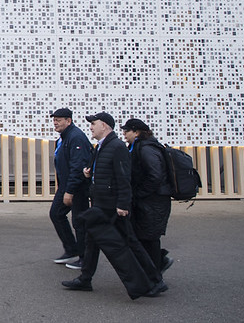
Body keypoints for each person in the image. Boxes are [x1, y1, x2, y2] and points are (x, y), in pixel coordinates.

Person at [62, 112, 165, 299]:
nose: (91, 127)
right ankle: (85, 279)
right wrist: (89, 173)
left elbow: (123, 177)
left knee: (130, 244)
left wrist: (123, 204)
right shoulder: (101, 146)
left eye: (94, 124)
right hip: (100, 204)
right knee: (91, 242)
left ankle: (154, 280)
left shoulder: (117, 147)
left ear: (104, 125)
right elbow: (104, 172)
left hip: (112, 207)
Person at [121, 118, 174, 273]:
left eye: (127, 131)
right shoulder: (139, 146)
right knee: (143, 236)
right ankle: (156, 266)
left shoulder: (146, 149)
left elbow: (155, 175)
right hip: (150, 200)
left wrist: (139, 193)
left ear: (136, 132)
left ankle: (155, 272)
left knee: (149, 237)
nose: (124, 134)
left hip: (154, 201)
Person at [49, 108, 92, 269]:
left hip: (76, 187)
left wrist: (70, 191)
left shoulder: (76, 138)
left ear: (69, 121)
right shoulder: (62, 139)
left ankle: (85, 257)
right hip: (66, 185)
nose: (55, 123)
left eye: (59, 120)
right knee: (56, 214)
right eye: (54, 120)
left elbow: (78, 166)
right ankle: (71, 249)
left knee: (79, 221)